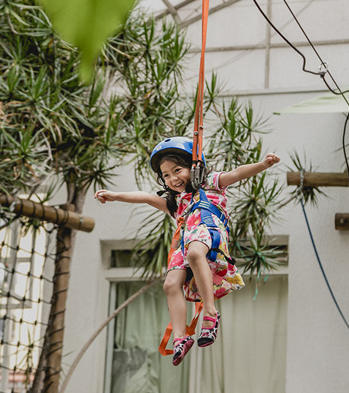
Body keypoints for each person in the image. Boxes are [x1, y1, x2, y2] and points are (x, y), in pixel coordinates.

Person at [94, 136, 277, 365]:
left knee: (194, 254)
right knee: (170, 284)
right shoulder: (177, 202)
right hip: (187, 241)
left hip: (208, 232)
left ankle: (210, 312)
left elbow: (238, 173)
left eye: (177, 170)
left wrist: (263, 165)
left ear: (194, 167)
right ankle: (181, 337)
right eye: (166, 175)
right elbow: (148, 198)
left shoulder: (212, 182)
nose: (173, 178)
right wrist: (115, 196)